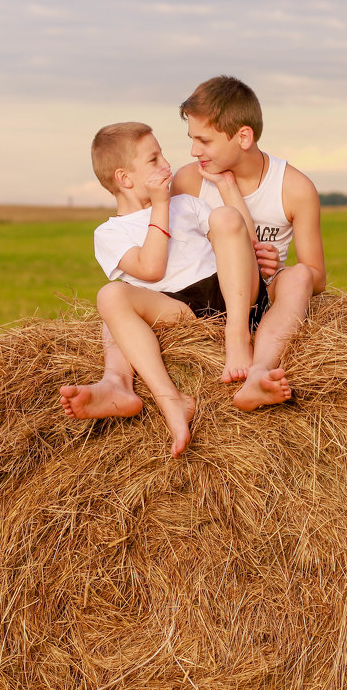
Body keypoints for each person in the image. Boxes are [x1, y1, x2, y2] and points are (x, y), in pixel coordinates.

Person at [60, 122, 263, 457]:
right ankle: (170, 399)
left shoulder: (188, 203)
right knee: (110, 295)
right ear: (125, 179)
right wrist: (160, 206)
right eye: (154, 160)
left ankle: (237, 336)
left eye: (162, 155)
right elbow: (151, 269)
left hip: (231, 292)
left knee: (226, 217)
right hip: (178, 309)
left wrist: (227, 188)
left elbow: (242, 235)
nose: (167, 164)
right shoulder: (109, 234)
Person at [171, 75, 326, 411]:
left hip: (265, 302)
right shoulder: (187, 181)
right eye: (191, 139)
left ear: (243, 136)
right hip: (207, 303)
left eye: (205, 141)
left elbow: (318, 276)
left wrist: (280, 268)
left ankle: (259, 372)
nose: (194, 151)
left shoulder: (294, 188)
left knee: (298, 276)